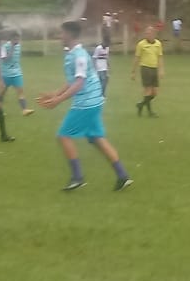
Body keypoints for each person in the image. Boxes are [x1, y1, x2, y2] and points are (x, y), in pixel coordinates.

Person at [37, 20, 133, 192]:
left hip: (86, 103)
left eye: (62, 33)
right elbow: (72, 80)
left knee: (63, 135)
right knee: (96, 138)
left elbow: (79, 83)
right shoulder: (73, 53)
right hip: (94, 101)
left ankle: (77, 177)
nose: (60, 36)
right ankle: (122, 176)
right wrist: (55, 94)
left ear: (69, 34)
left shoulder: (79, 55)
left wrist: (58, 100)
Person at [130, 25, 164, 117]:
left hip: (154, 69)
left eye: (149, 33)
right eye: (146, 33)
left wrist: (161, 70)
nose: (147, 35)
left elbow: (160, 57)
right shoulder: (141, 44)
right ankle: (150, 112)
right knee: (148, 91)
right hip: (145, 68)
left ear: (154, 34)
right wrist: (133, 71)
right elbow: (137, 58)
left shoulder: (158, 44)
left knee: (155, 92)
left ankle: (141, 105)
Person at [0, 31, 34, 116]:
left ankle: (24, 110)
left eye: (18, 38)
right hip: (6, 74)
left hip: (17, 73)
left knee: (20, 92)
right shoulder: (5, 47)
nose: (17, 40)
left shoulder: (19, 46)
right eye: (15, 39)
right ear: (11, 39)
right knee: (2, 93)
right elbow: (4, 59)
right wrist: (11, 49)